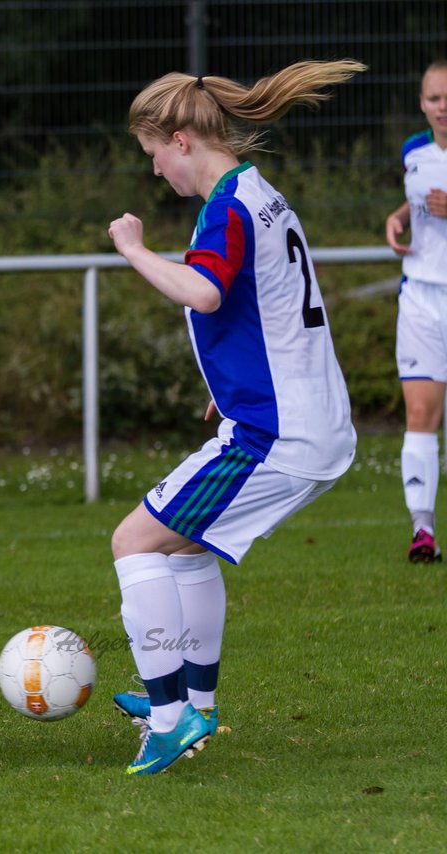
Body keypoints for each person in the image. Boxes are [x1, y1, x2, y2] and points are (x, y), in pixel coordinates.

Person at [105, 60, 364, 775]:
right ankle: (198, 703)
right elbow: (271, 307)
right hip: (296, 420)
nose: (155, 172)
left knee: (134, 541)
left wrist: (132, 250)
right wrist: (231, 380)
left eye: (152, 154)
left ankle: (168, 721)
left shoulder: (227, 205)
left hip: (275, 434)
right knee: (187, 547)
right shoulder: (260, 193)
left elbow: (207, 293)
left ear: (181, 139)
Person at [385, 60, 447, 564]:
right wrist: (397, 217)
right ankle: (422, 530)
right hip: (422, 298)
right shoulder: (414, 151)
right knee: (420, 413)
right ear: (422, 103)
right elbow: (417, 201)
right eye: (433, 98)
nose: (442, 107)